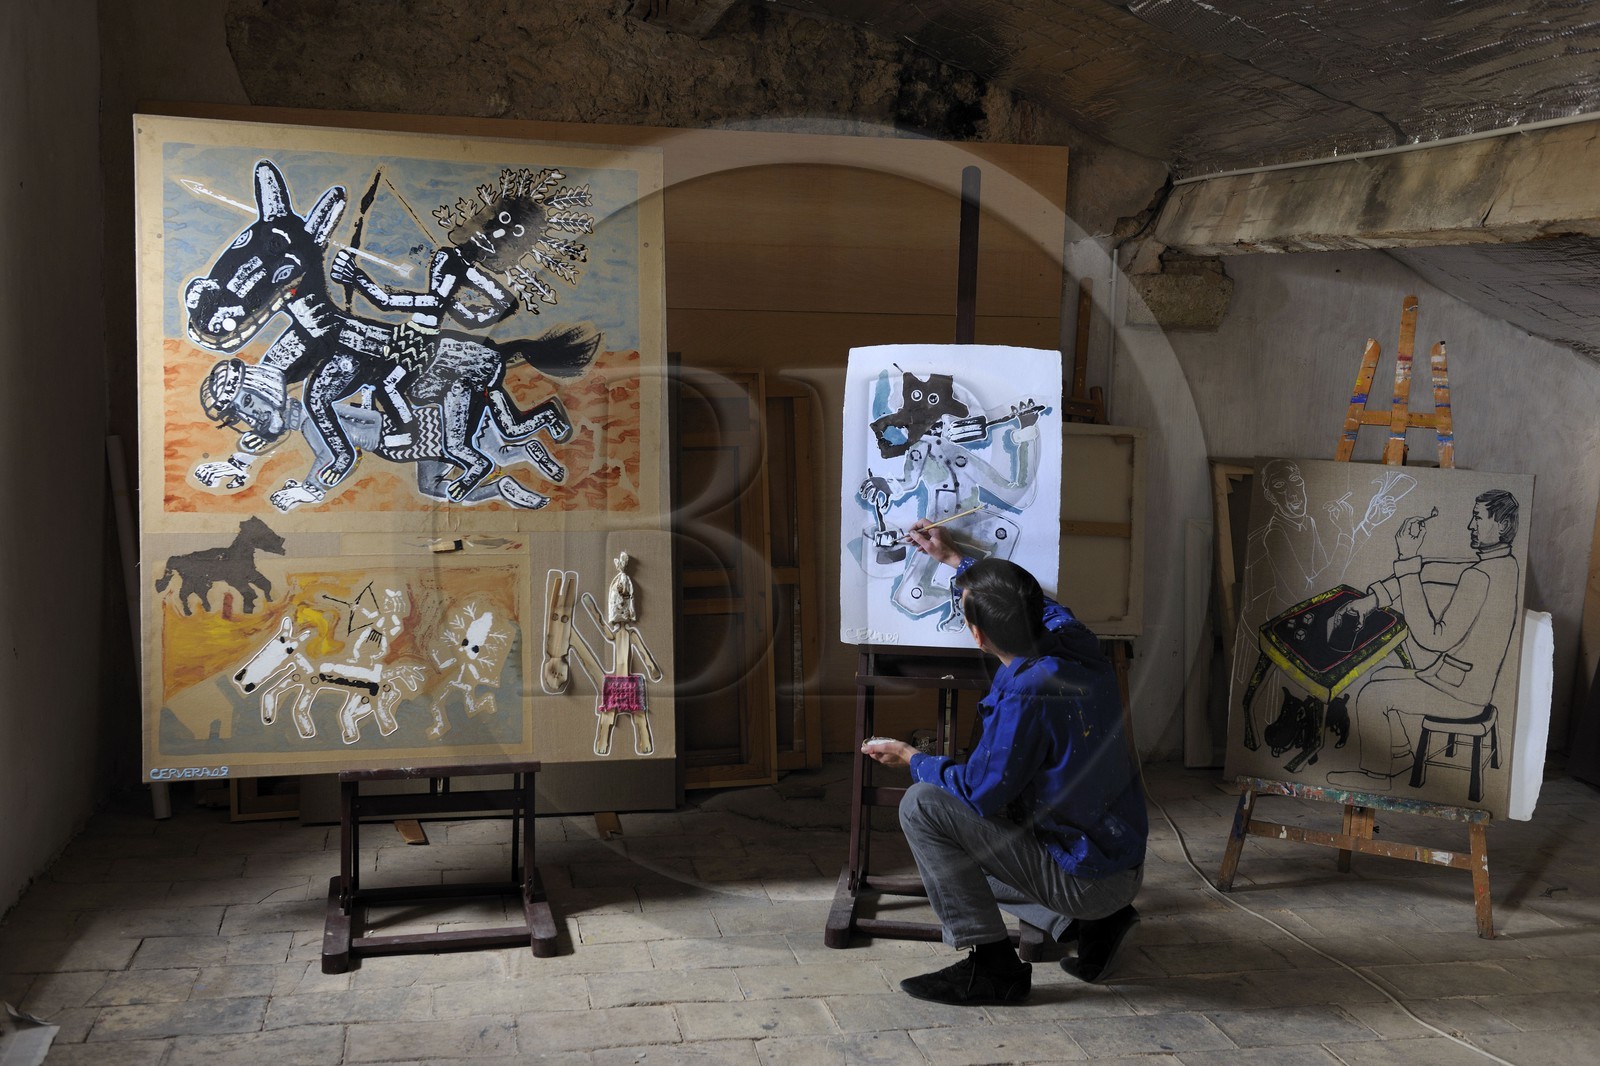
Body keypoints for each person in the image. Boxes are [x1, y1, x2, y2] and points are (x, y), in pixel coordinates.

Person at [862, 523, 1148, 1005]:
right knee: (972, 831)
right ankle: (1097, 923)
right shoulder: (1075, 640)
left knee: (923, 809)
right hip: (1121, 862)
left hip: (1087, 879)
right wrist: (954, 560)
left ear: (976, 633)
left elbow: (978, 793)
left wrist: (913, 758)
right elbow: (1039, 604)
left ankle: (994, 967)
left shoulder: (1025, 693)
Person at [1328, 489, 1521, 790]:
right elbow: (1430, 570)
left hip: (1460, 694)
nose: (1471, 525)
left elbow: (1434, 638)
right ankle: (1401, 756)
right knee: (1380, 675)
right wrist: (1372, 600)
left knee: (1370, 696)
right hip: (1463, 682)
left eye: (1478, 518)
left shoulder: (1479, 576)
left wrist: (1406, 556)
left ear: (1503, 526)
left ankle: (1375, 779)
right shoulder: (1503, 565)